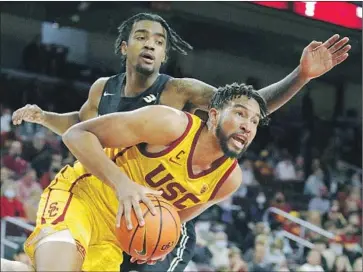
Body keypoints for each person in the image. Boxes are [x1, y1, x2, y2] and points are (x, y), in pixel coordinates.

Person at [10, 12, 351, 272]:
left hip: (135, 223)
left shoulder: (179, 92)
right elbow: (80, 127)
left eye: (159, 41)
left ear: (164, 53)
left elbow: (244, 104)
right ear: (124, 46)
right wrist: (43, 118)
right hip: (92, 193)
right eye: (142, 37)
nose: (150, 45)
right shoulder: (106, 89)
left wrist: (300, 77)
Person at [10, 83, 264, 271]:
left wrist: (158, 241)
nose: (248, 126)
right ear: (214, 115)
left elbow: (173, 219)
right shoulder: (170, 124)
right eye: (240, 114)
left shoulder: (228, 180)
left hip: (115, 235)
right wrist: (122, 185)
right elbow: (76, 135)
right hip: (81, 199)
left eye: (254, 121)